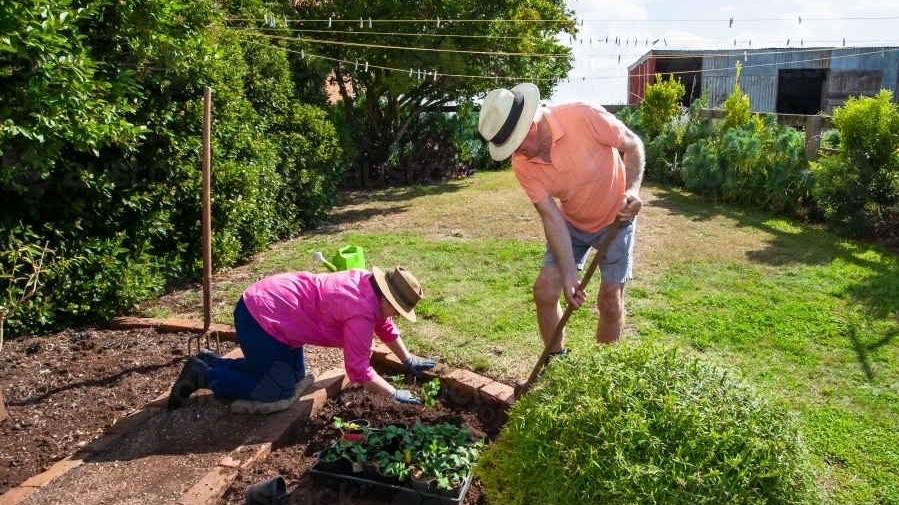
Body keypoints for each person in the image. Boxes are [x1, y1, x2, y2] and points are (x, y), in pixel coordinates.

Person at [478, 83, 645, 353]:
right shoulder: (523, 164)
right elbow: (551, 216)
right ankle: (557, 363)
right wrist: (569, 274)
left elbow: (633, 145)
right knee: (544, 292)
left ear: (530, 127)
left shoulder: (584, 115)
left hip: (616, 217)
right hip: (571, 224)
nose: (517, 155)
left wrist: (632, 190)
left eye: (516, 146)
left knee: (610, 300)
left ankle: (603, 372)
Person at [167, 265, 436, 413]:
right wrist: (394, 393)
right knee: (278, 391)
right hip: (261, 318)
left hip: (276, 310)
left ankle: (210, 362)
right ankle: (203, 376)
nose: (397, 316)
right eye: (398, 309)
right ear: (386, 298)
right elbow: (358, 371)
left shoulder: (367, 285)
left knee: (295, 378)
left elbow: (385, 326)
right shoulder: (361, 311)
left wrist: (407, 358)